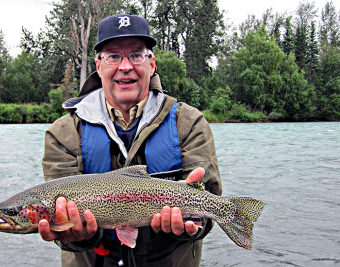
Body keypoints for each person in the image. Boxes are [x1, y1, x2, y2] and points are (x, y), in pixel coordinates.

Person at [39, 14, 222, 267]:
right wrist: (77, 237)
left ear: (152, 64)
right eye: (113, 56)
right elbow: (63, 232)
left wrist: (195, 224)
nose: (125, 66)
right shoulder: (62, 133)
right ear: (99, 65)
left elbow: (209, 205)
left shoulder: (189, 123)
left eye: (136, 55)